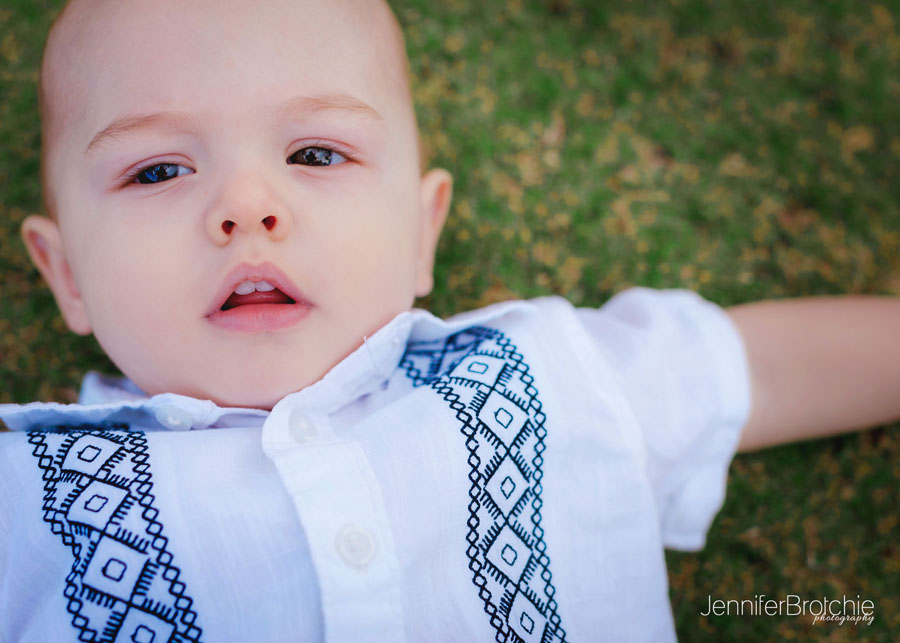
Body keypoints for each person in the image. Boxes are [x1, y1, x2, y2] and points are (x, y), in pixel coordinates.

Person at [1, 0, 897, 641]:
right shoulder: (23, 497)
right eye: (157, 171)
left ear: (422, 231)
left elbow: (767, 370)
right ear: (66, 273)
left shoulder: (543, 378)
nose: (245, 203)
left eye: (316, 152)